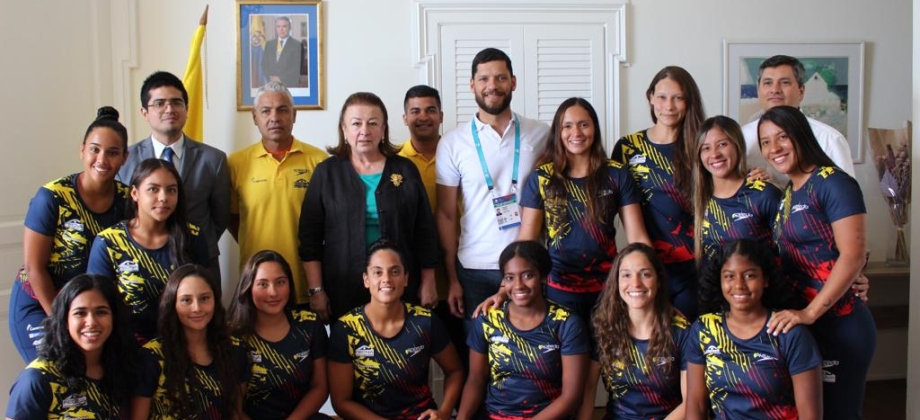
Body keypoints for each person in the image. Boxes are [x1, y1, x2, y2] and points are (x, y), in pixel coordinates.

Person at [759, 106, 876, 420]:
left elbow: (853, 254)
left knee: (839, 413)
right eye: (766, 142)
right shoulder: (788, 192)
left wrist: (810, 312)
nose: (774, 148)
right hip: (804, 326)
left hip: (840, 323)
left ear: (802, 135)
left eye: (783, 137)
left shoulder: (833, 182)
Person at [436, 47, 550, 327]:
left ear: (513, 82)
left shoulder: (542, 134)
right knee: (478, 356)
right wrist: (451, 278)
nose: (492, 86)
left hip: (529, 266)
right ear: (472, 85)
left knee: (529, 354)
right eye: (484, 79)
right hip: (475, 267)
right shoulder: (453, 143)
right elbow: (446, 214)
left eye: (500, 78)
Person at [299, 92, 438, 322]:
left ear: (383, 129)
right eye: (356, 123)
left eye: (373, 123)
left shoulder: (405, 169)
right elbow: (309, 238)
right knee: (347, 351)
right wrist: (316, 290)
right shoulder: (326, 173)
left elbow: (425, 232)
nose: (364, 131)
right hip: (343, 287)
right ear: (344, 130)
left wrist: (429, 282)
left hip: (398, 285)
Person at [9, 107, 130, 363]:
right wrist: (62, 321)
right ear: (82, 150)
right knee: (57, 374)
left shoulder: (127, 200)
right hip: (42, 304)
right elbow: (34, 267)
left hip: (92, 311)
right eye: (95, 149)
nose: (102, 159)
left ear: (125, 158)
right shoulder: (52, 197)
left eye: (112, 152)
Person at [519, 97, 650, 322]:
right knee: (569, 356)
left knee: (605, 355)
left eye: (584, 124)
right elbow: (527, 241)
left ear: (594, 129)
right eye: (567, 126)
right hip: (558, 286)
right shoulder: (542, 178)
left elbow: (637, 236)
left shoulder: (616, 174)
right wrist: (510, 283)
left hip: (608, 287)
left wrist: (653, 282)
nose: (576, 133)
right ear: (557, 132)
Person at [327, 239, 464, 420]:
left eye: (395, 271)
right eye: (377, 272)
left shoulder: (425, 321)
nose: (386, 279)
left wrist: (444, 412)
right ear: (366, 280)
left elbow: (455, 371)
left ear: (405, 278)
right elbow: (341, 402)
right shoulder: (346, 329)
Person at [686, 240, 823, 420]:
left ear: (765, 279)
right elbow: (696, 404)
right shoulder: (704, 329)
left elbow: (810, 416)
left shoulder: (789, 332)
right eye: (729, 276)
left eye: (750, 275)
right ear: (719, 280)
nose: (739, 285)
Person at [610, 66, 706, 319]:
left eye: (678, 98)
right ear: (650, 97)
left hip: (695, 265)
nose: (669, 106)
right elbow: (612, 202)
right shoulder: (628, 147)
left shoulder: (701, 144)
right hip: (645, 268)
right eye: (662, 97)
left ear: (689, 101)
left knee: (690, 342)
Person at [117, 71, 230, 281]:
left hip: (198, 259)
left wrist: (193, 240)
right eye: (159, 103)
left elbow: (220, 218)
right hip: (141, 261)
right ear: (144, 112)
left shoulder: (214, 160)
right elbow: (123, 212)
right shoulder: (126, 159)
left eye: (177, 102)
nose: (169, 109)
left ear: (186, 109)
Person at [458, 241, 588, 420]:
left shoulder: (567, 323)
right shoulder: (488, 320)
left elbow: (571, 397)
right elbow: (476, 380)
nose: (518, 285)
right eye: (510, 278)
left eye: (527, 275)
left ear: (543, 276)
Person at [88, 158, 209, 343]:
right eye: (153, 189)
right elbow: (97, 304)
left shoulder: (192, 236)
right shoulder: (109, 242)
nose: (163, 198)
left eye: (171, 190)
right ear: (135, 193)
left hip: (184, 343)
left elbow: (207, 296)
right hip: (127, 346)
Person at [229, 81, 327, 304]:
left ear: (294, 115)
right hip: (255, 283)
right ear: (255, 117)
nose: (274, 117)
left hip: (304, 284)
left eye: (282, 110)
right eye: (266, 111)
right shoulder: (236, 163)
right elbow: (232, 218)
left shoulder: (319, 161)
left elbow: (328, 225)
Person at [579, 243, 691, 420]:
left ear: (658, 279)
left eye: (645, 274)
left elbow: (690, 402)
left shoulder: (682, 332)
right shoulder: (602, 327)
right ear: (616, 281)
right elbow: (589, 388)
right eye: (626, 275)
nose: (636, 283)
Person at [399, 84, 468, 361]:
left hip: (460, 272)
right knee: (411, 362)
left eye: (430, 110)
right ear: (405, 118)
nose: (423, 116)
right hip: (411, 276)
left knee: (464, 357)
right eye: (415, 111)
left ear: (441, 115)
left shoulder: (462, 153)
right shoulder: (393, 162)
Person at [6, 274, 136, 419]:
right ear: (65, 320)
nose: (91, 322)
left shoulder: (123, 368)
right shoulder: (38, 379)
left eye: (101, 312)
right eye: (80, 313)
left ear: (114, 318)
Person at [131, 264, 249, 420]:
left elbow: (235, 413)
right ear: (173, 304)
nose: (197, 308)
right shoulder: (151, 356)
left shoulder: (234, 349)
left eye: (204, 298)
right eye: (186, 300)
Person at [228, 250, 330, 420]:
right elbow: (234, 408)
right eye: (262, 284)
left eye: (280, 282)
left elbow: (320, 387)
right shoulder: (234, 337)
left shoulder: (309, 323)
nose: (273, 292)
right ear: (248, 287)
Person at [741, 55, 854, 183]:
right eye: (768, 83)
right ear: (758, 90)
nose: (775, 90)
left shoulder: (829, 140)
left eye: (784, 82)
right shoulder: (742, 137)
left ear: (801, 91)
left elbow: (846, 195)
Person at [692, 115, 781, 271]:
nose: (714, 154)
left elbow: (789, 254)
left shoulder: (763, 194)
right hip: (713, 292)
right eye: (706, 148)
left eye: (722, 144)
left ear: (737, 145)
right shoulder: (698, 199)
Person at [261, 16, 305, 88]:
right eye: (278, 26)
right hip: (271, 85)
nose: (281, 29)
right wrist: (270, 78)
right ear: (276, 28)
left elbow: (298, 68)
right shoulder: (269, 44)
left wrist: (280, 78)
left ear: (290, 27)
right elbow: (263, 64)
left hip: (289, 85)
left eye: (284, 26)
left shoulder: (297, 45)